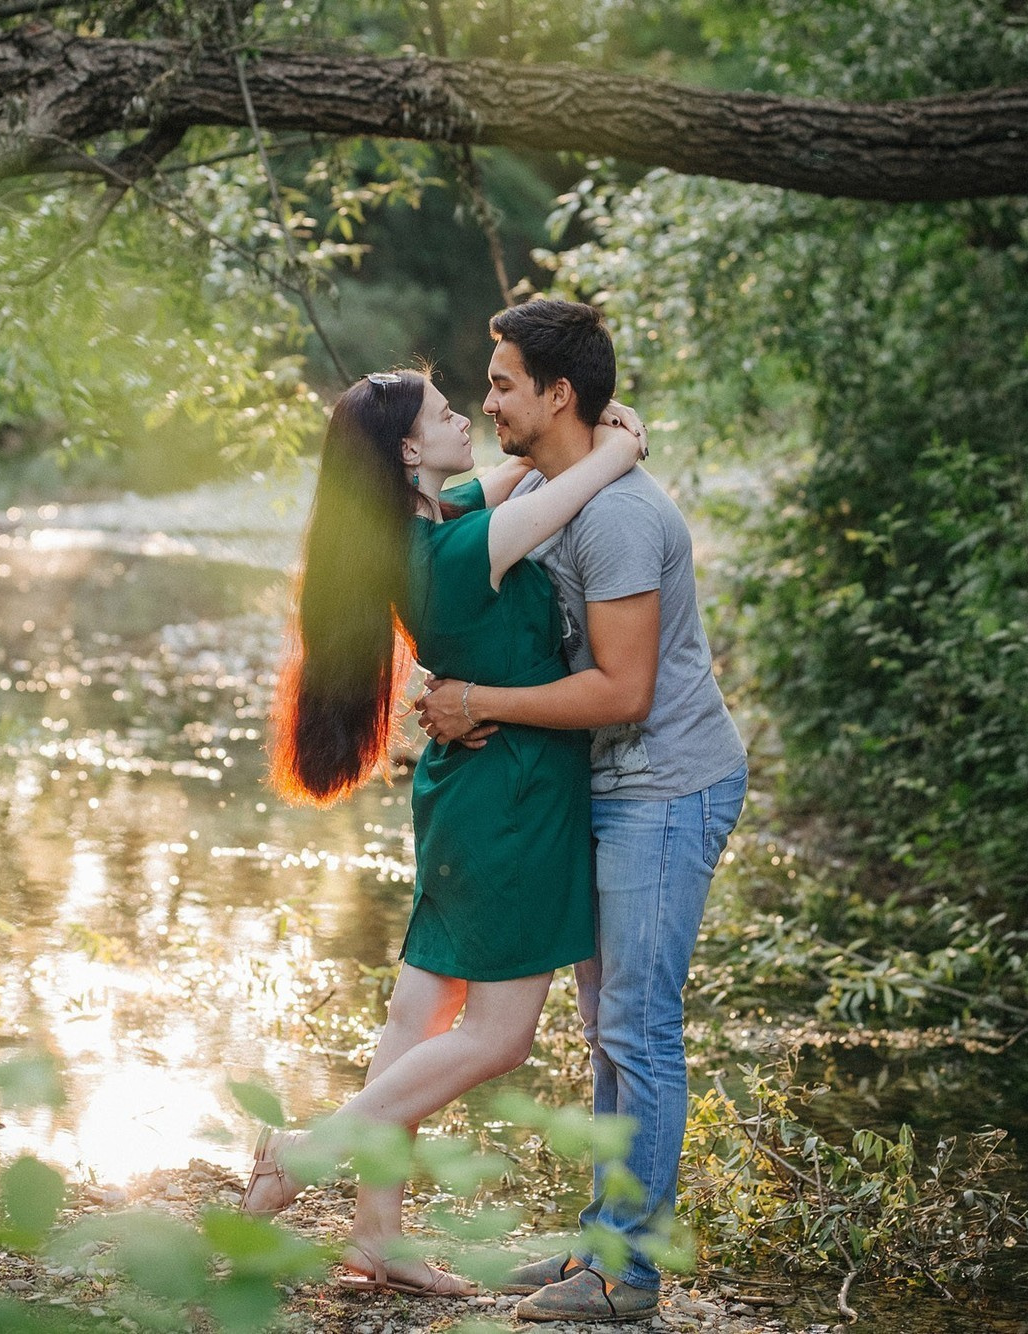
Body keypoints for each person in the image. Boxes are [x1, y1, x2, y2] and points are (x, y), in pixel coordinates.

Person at [244, 365, 647, 1296]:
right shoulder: (463, 552)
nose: (465, 415)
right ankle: (306, 1152)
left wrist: (562, 441)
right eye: (442, 413)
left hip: (467, 792)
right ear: (407, 452)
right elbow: (579, 479)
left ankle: (375, 1236)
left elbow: (519, 475)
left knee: (418, 1013)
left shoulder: (422, 527)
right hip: (512, 800)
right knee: (498, 1036)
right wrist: (620, 440)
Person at [415, 299, 748, 1324]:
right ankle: (599, 1245)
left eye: (502, 383)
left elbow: (624, 691)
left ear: (558, 394)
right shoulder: (554, 488)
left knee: (638, 1029)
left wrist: (479, 701)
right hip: (603, 787)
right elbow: (438, 520)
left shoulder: (616, 517)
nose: (487, 401)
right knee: (607, 1029)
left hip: (666, 784)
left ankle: (627, 1275)